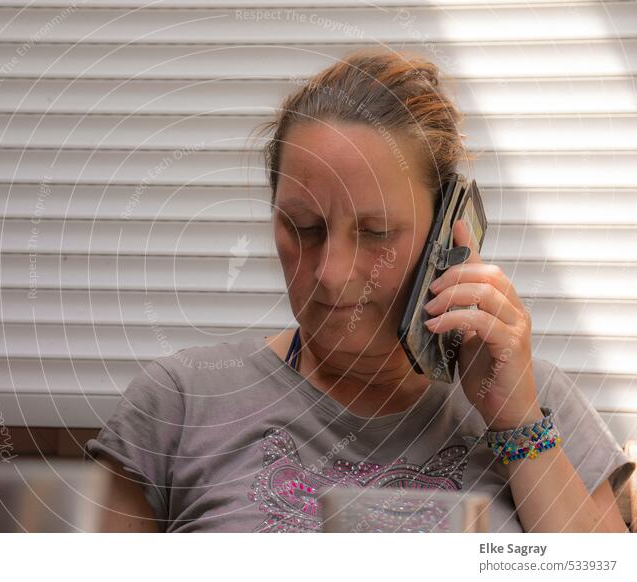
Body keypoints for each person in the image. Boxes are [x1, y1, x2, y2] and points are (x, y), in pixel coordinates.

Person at [84, 48, 635, 533]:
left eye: (376, 233)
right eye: (303, 227)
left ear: (449, 232)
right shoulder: (179, 402)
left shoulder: (537, 402)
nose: (331, 273)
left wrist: (516, 423)